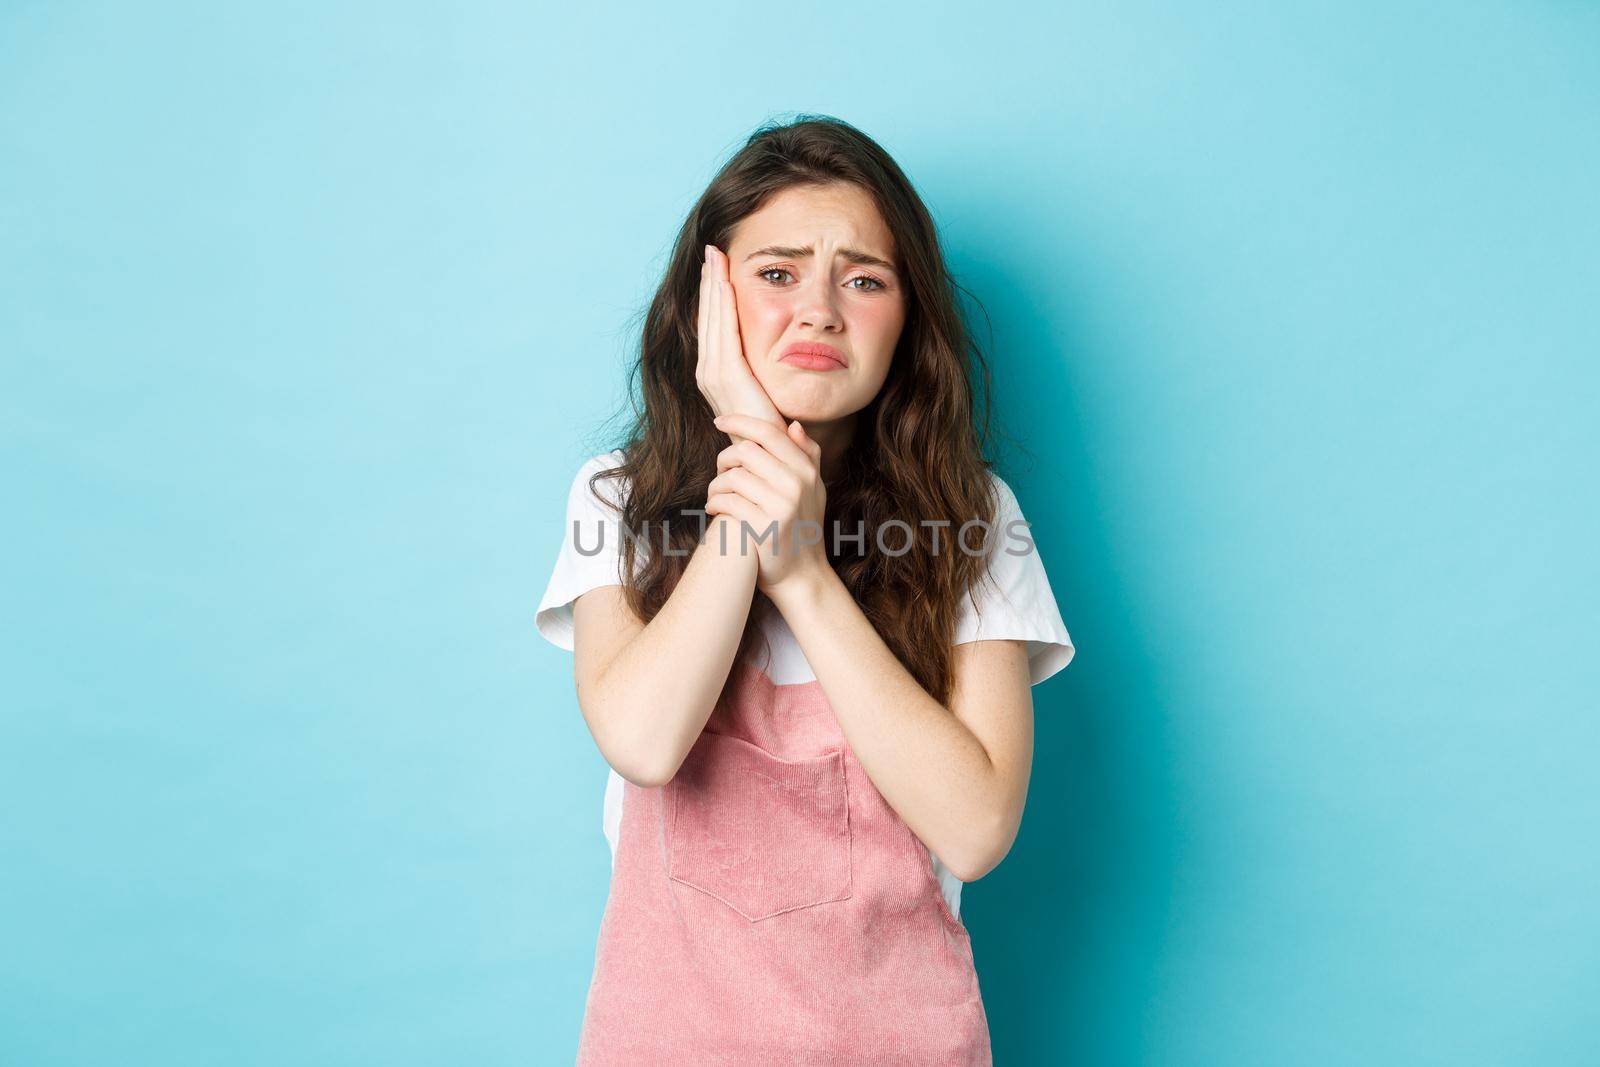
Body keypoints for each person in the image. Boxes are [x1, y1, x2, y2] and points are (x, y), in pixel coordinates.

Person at [536, 114, 1075, 1065]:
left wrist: (804, 572)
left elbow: (978, 825)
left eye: (864, 278)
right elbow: (646, 739)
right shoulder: (615, 499)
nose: (820, 310)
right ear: (709, 300)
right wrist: (752, 475)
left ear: (908, 318)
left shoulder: (975, 516)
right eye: (778, 272)